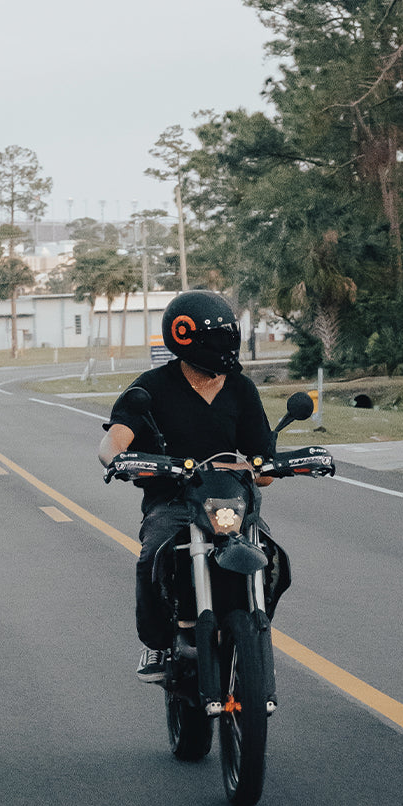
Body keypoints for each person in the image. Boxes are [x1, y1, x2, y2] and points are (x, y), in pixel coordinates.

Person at [98, 291, 272, 683]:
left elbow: (263, 464)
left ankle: (255, 625)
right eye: (216, 339)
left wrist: (260, 466)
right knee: (152, 557)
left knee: (272, 556)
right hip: (174, 503)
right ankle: (158, 645)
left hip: (232, 502)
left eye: (229, 337)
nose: (225, 347)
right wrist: (121, 460)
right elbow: (113, 442)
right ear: (186, 338)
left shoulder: (241, 389)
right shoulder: (151, 387)